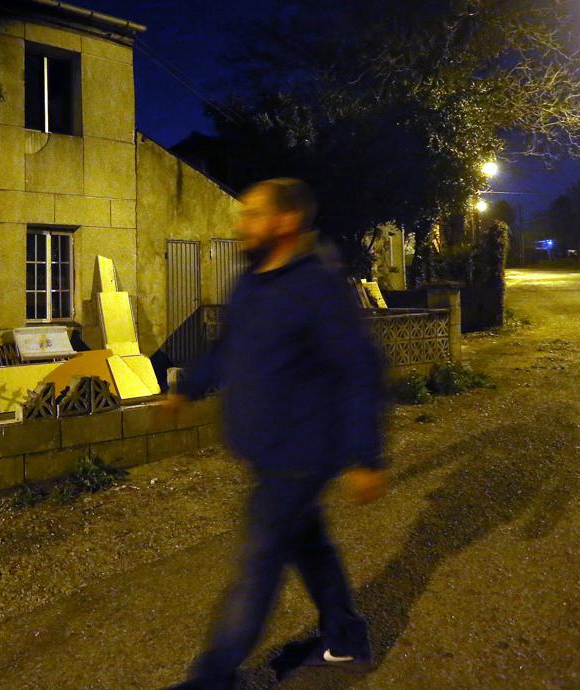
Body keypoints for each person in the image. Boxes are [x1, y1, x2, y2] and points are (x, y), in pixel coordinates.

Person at [164, 178, 387, 689]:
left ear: (284, 221)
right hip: (266, 448)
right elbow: (227, 346)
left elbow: (359, 370)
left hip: (303, 450)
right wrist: (187, 388)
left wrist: (366, 457)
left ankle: (214, 677)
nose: (241, 225)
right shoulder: (253, 279)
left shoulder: (318, 288)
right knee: (308, 542)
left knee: (259, 559)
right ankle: (346, 636)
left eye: (252, 215)